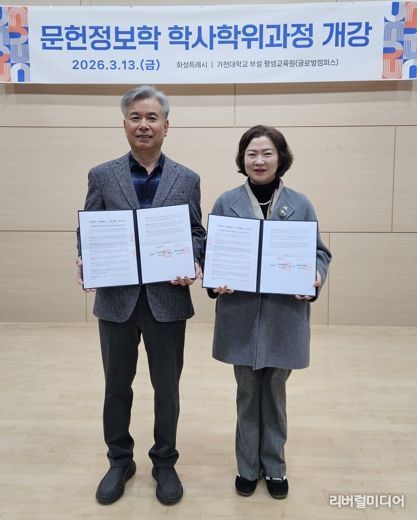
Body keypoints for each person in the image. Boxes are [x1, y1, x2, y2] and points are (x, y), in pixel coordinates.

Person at [76, 85, 205, 506]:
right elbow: (89, 226)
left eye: (152, 117)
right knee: (117, 386)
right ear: (125, 125)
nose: (143, 124)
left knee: (167, 387)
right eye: (135, 117)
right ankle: (119, 460)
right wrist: (85, 255)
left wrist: (194, 258)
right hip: (117, 299)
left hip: (168, 300)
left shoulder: (187, 178)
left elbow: (196, 231)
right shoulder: (102, 175)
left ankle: (164, 461)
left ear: (167, 126)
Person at [208, 125, 332, 500]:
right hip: (241, 314)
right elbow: (213, 252)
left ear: (280, 158)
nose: (259, 160)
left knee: (275, 394)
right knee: (247, 393)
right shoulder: (226, 202)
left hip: (283, 316)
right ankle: (247, 467)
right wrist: (215, 279)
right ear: (242, 159)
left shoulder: (301, 203)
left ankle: (275, 466)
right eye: (251, 153)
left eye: (266, 153)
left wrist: (314, 275)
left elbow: (319, 252)